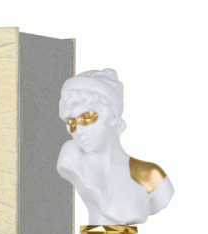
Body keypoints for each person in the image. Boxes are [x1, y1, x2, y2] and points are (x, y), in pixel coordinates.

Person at [57, 69, 174, 225]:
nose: (78, 131)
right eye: (72, 122)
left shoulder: (152, 176)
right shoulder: (72, 159)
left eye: (86, 118)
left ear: (112, 116)